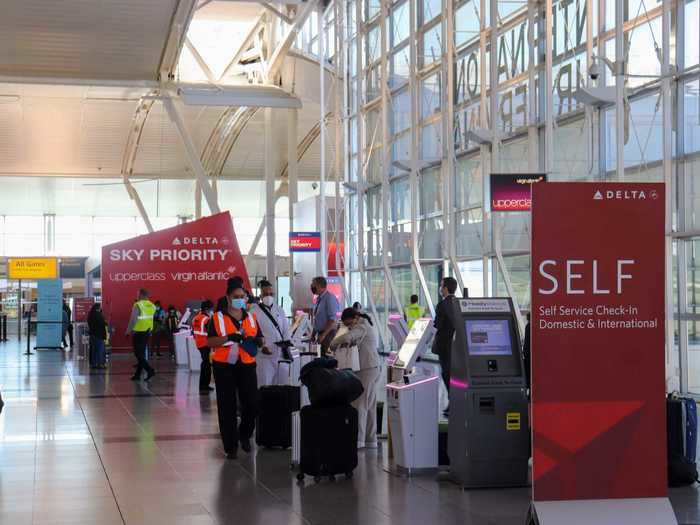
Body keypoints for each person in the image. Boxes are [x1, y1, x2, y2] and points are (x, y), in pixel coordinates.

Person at [207, 279, 267, 459]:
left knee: (252, 404)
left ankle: (245, 434)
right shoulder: (217, 318)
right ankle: (230, 446)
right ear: (228, 297)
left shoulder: (251, 317)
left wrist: (258, 341)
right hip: (224, 366)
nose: (240, 300)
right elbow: (209, 342)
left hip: (247, 364)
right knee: (227, 406)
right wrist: (228, 337)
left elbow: (261, 338)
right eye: (236, 297)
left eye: (242, 297)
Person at [330, 307, 380, 449]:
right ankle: (371, 440)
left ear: (355, 318)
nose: (349, 327)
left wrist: (333, 343)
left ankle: (359, 440)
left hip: (367, 369)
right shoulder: (363, 325)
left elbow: (347, 337)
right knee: (370, 406)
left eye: (349, 324)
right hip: (372, 368)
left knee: (360, 404)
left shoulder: (361, 326)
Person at [252, 280, 291, 386]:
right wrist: (261, 347)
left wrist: (287, 345)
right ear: (260, 296)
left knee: (281, 386)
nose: (268, 296)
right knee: (264, 385)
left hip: (281, 354)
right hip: (264, 357)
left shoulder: (279, 310)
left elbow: (285, 330)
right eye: (265, 294)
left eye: (271, 294)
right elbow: (252, 333)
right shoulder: (254, 311)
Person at [432, 277, 458, 412]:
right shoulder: (458, 303)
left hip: (444, 346)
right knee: (454, 373)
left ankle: (452, 401)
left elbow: (438, 325)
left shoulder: (442, 305)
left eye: (441, 286)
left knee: (446, 373)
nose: (440, 289)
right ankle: (455, 400)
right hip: (457, 345)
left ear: (446, 288)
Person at [125, 288, 157, 381]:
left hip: (138, 332)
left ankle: (150, 370)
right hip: (147, 331)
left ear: (142, 295)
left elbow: (133, 320)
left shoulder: (138, 305)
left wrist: (128, 331)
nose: (137, 296)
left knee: (138, 354)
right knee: (141, 354)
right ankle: (138, 374)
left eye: (138, 294)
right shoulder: (152, 305)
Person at [311, 276, 340, 353]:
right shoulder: (319, 299)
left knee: (327, 359)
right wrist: (313, 334)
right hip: (320, 334)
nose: (312, 287)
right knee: (321, 359)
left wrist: (323, 335)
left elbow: (332, 319)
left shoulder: (330, 298)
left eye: (314, 285)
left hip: (328, 334)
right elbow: (317, 318)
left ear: (320, 286)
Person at [192, 300, 214, 395]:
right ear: (206, 309)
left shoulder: (196, 318)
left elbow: (193, 332)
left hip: (199, 343)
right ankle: (204, 385)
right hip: (206, 344)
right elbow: (211, 332)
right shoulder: (206, 319)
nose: (211, 310)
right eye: (210, 309)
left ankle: (203, 385)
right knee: (207, 365)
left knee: (205, 364)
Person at [87, 303, 107, 368]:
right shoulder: (99, 315)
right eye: (100, 307)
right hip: (99, 335)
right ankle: (100, 364)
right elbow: (102, 323)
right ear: (98, 308)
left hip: (92, 335)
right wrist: (105, 322)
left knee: (93, 350)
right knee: (100, 350)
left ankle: (93, 364)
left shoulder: (90, 314)